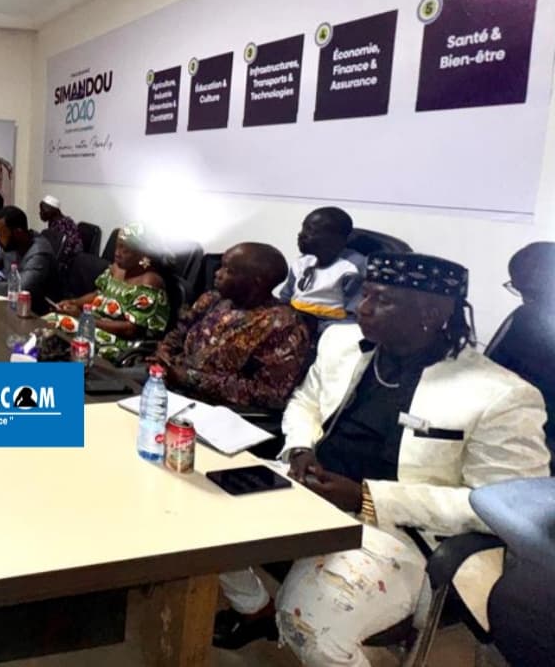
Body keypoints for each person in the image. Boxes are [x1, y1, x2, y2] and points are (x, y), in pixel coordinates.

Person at [214, 253, 550, 666]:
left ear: (432, 313)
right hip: (306, 487)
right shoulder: (341, 344)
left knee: (312, 628)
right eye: (365, 294)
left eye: (383, 300)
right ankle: (253, 608)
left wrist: (366, 497)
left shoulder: (501, 395)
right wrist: (300, 448)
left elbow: (505, 506)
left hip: (398, 529)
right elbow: (306, 402)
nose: (363, 308)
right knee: (197, 512)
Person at [152, 243, 311, 411]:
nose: (217, 273)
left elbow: (269, 394)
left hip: (217, 409)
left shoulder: (283, 326)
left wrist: (190, 378)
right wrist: (164, 353)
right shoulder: (212, 299)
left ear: (257, 282)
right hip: (170, 385)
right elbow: (179, 332)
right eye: (221, 266)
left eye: (228, 270)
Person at [46, 224, 170, 363]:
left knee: (57, 325)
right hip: (94, 324)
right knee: (49, 321)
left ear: (141, 253)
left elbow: (131, 330)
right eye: (117, 246)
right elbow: (97, 294)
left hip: (119, 342)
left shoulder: (149, 282)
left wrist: (84, 319)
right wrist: (73, 302)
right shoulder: (117, 268)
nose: (117, 253)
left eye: (125, 249)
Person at [487, 241, 555, 467]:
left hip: (532, 441)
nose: (524, 298)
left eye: (527, 291)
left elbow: (487, 375)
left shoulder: (526, 318)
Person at [278, 207, 365, 330]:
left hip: (329, 330)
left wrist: (315, 329)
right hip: (295, 325)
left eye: (311, 230)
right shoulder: (302, 262)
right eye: (303, 228)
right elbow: (285, 300)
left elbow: (355, 318)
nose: (301, 235)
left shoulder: (353, 268)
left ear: (337, 239)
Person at [38, 195, 84, 271]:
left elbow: (60, 252)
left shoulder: (61, 226)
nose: (40, 213)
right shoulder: (58, 221)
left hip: (70, 264)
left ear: (53, 210)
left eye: (43, 210)